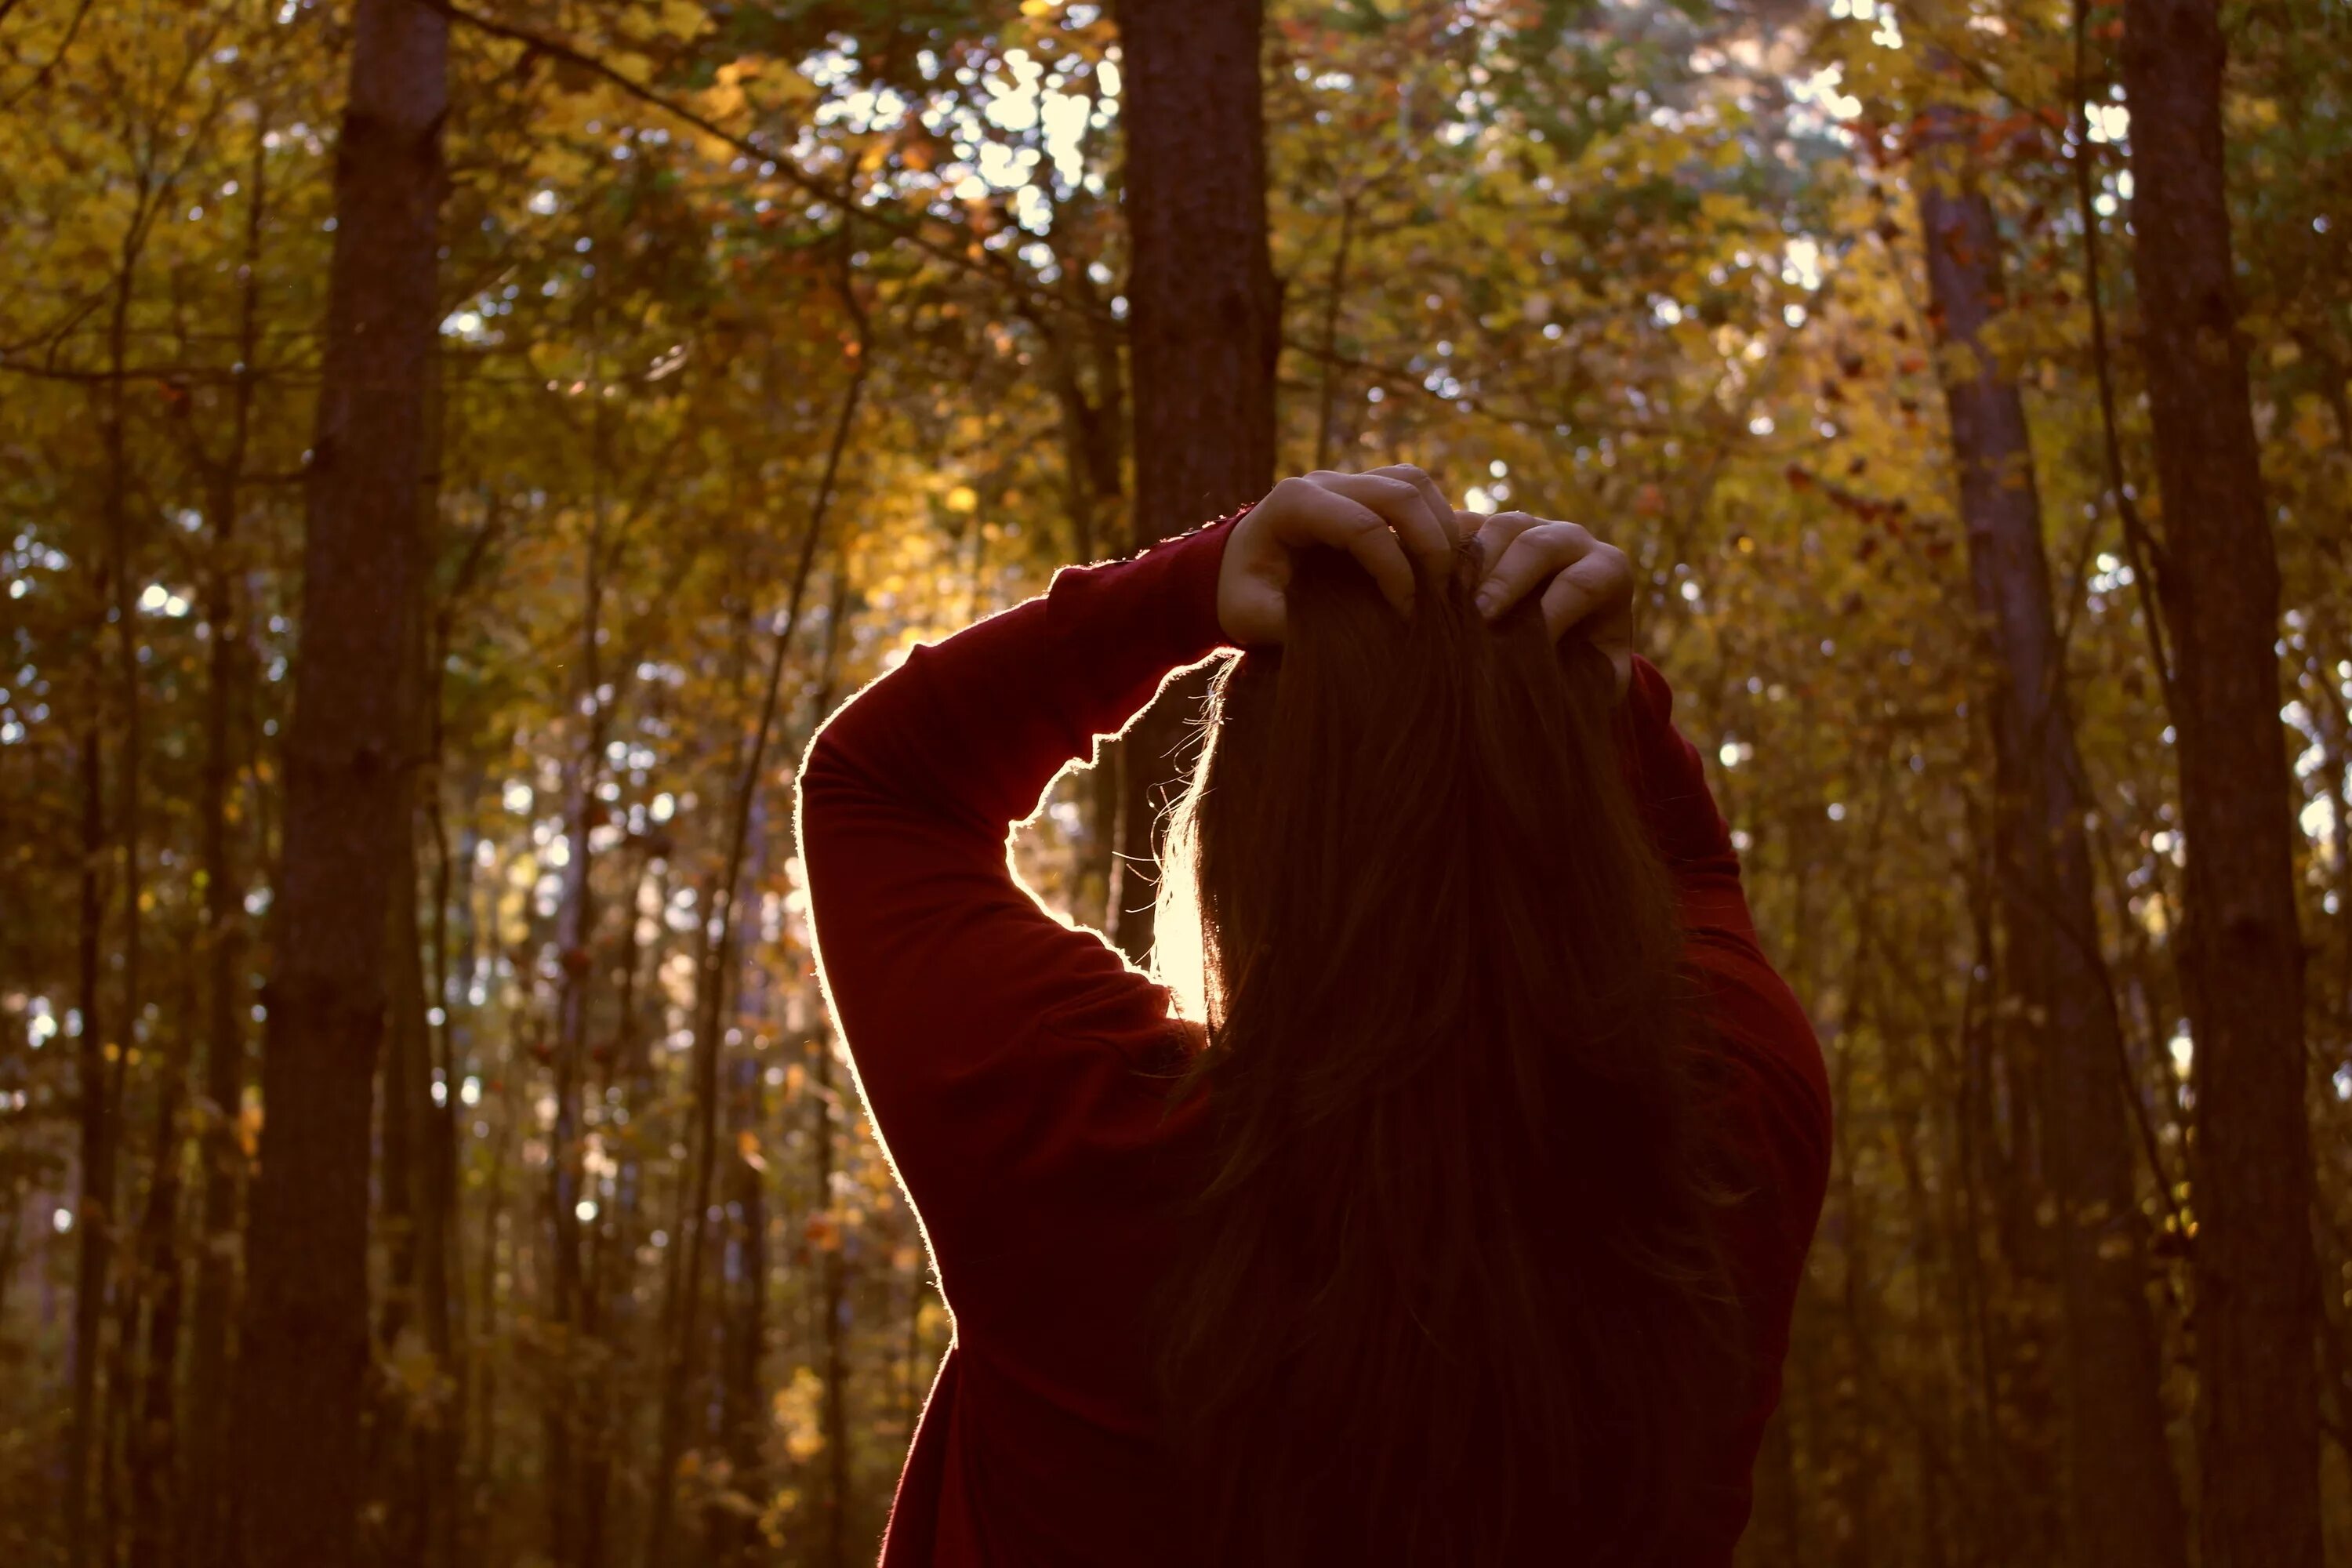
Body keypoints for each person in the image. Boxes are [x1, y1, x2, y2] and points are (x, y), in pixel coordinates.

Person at [797, 466, 1831, 1566]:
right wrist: (1599, 702)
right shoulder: (1721, 1156)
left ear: (1244, 840)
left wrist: (1183, 587)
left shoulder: (1092, 1146)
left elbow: (882, 789)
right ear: (1580, 827)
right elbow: (1692, 882)